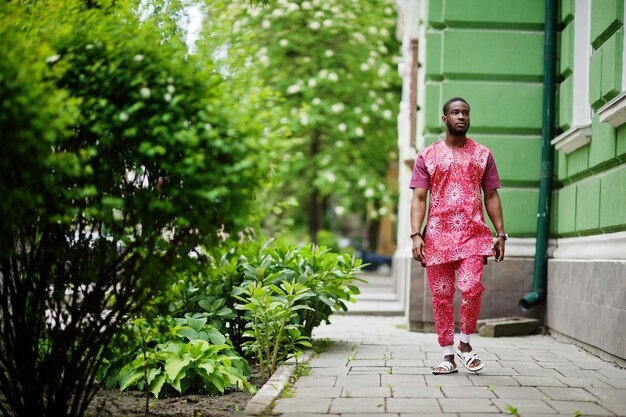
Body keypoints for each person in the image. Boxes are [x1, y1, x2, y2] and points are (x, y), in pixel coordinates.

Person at [409, 97, 506, 375]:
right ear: (445, 119)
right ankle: (447, 355)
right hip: (437, 237)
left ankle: (465, 344)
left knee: (471, 286)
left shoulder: (483, 155)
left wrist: (501, 233)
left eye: (465, 113)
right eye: (455, 112)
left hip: (474, 235)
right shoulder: (427, 156)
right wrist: (416, 235)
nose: (461, 117)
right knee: (441, 296)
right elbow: (418, 198)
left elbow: (491, 195)